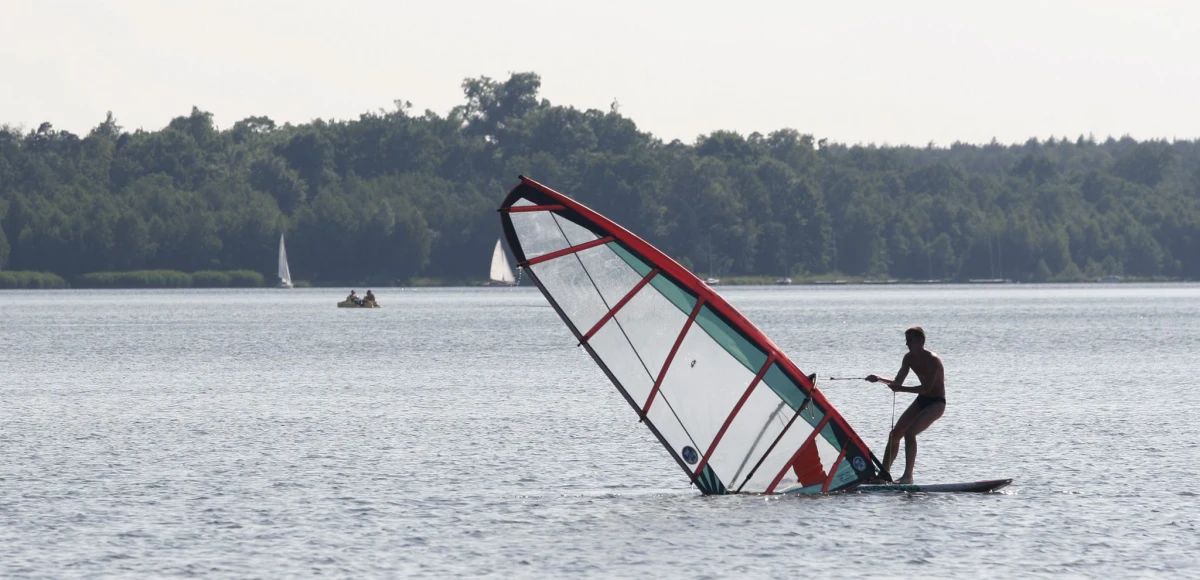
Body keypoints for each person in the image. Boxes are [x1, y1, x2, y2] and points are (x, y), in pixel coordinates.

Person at [866, 326, 945, 484]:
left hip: (936, 402)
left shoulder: (933, 360)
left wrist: (900, 389)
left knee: (910, 433)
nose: (906, 344)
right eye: (906, 340)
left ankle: (908, 476)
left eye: (910, 341)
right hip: (922, 400)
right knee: (895, 434)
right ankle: (883, 475)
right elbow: (898, 382)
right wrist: (879, 379)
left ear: (921, 341)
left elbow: (927, 388)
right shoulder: (908, 358)